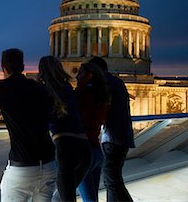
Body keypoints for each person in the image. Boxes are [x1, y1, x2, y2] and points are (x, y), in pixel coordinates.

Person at [0, 48, 56, 202]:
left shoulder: (2, 87)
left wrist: (5, 123)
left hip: (23, 167)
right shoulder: (38, 88)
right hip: (49, 165)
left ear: (3, 68)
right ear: (23, 67)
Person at [38, 56, 92, 202]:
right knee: (61, 197)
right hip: (84, 147)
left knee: (65, 198)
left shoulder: (43, 91)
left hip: (65, 148)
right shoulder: (68, 88)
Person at [89, 56, 135, 202]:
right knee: (112, 179)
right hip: (122, 136)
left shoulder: (105, 84)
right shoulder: (117, 82)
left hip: (113, 138)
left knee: (112, 179)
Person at [76, 62, 111, 202]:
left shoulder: (82, 95)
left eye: (80, 73)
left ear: (88, 76)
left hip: (83, 152)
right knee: (92, 198)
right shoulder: (102, 96)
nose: (77, 76)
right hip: (96, 151)